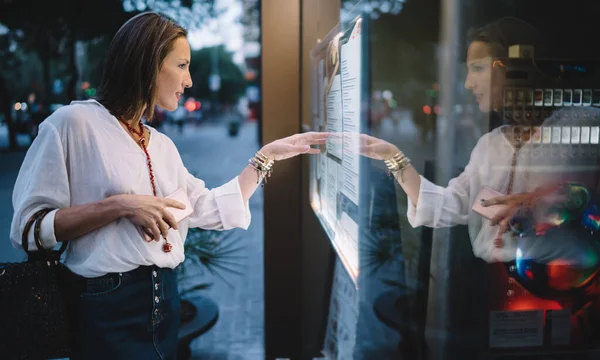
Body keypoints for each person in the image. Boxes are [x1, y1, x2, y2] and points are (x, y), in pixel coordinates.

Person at [9, 12, 327, 359]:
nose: (189, 80)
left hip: (166, 302)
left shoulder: (161, 145)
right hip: (107, 306)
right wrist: (121, 206)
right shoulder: (73, 124)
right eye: (182, 65)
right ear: (148, 63)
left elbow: (203, 207)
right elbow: (28, 228)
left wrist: (265, 158)